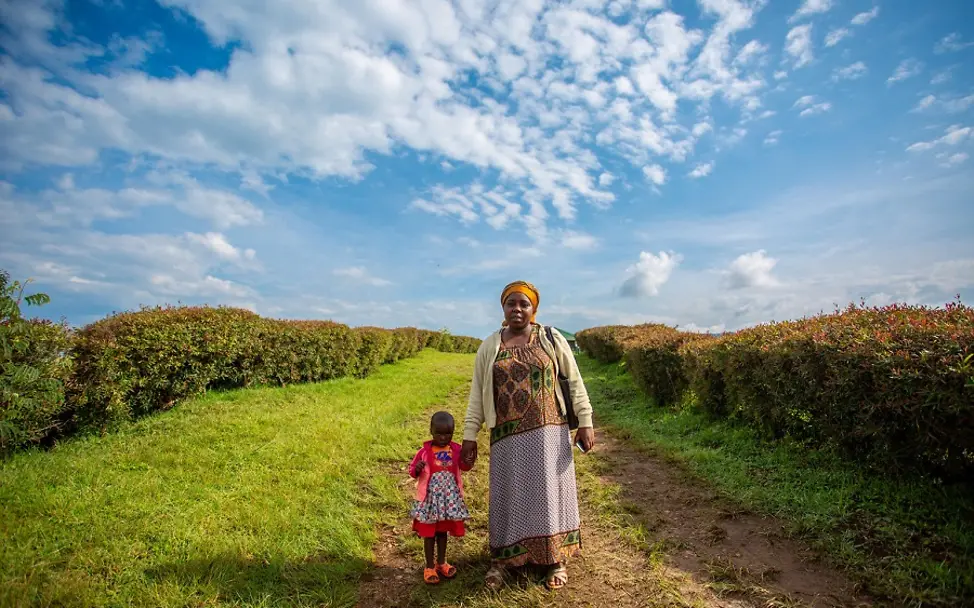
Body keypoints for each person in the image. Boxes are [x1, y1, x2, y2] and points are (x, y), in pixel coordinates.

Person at [460, 280, 595, 591]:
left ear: (534, 309)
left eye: (524, 304)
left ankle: (554, 559)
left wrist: (585, 420)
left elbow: (574, 381)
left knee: (549, 495)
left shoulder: (550, 338)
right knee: (509, 495)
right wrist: (470, 435)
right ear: (503, 309)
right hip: (506, 438)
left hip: (550, 434)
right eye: (511, 304)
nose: (517, 309)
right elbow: (477, 396)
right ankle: (503, 561)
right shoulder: (490, 346)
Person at [408, 411, 472, 584]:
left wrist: (469, 458)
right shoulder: (424, 452)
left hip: (448, 501)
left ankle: (441, 562)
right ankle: (429, 567)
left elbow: (464, 467)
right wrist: (418, 468)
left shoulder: (456, 450)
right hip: (429, 502)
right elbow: (412, 471)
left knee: (442, 532)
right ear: (431, 430)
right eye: (439, 433)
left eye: (448, 433)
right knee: (429, 534)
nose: (443, 437)